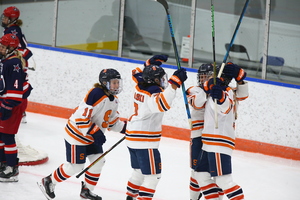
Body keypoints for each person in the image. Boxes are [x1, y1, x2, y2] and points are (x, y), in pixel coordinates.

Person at [37, 68, 127, 200]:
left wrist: (130, 129)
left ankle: (87, 190)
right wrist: (95, 133)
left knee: (98, 162)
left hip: (91, 137)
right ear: (104, 82)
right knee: (75, 166)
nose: (116, 85)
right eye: (113, 82)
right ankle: (49, 181)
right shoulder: (95, 93)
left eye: (117, 82)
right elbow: (81, 118)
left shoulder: (114, 101)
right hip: (77, 135)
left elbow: (113, 122)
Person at [125, 55, 188, 200]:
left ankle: (130, 197)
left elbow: (135, 72)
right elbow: (162, 105)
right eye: (160, 78)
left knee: (139, 172)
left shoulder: (139, 82)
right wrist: (174, 84)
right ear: (153, 80)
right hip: (144, 141)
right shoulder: (153, 90)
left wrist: (148, 63)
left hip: (132, 137)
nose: (162, 81)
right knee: (153, 177)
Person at [192, 62, 248, 200]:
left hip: (218, 140)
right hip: (209, 141)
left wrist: (222, 97)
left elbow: (225, 107)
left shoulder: (226, 91)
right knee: (200, 175)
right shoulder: (212, 90)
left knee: (224, 181)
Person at [0, 33, 32, 182]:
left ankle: (12, 168)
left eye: (2, 46)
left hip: (12, 104)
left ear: (11, 48)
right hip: (6, 102)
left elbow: (16, 91)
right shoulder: (7, 60)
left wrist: (7, 106)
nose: (0, 48)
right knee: (1, 135)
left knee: (7, 136)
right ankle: (3, 163)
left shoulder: (12, 64)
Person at [2, 6, 34, 123]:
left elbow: (19, 48)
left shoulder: (13, 31)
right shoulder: (11, 28)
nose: (3, 19)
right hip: (17, 59)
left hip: (18, 60)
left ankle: (21, 112)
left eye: (6, 17)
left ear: (12, 19)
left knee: (19, 85)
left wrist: (16, 60)